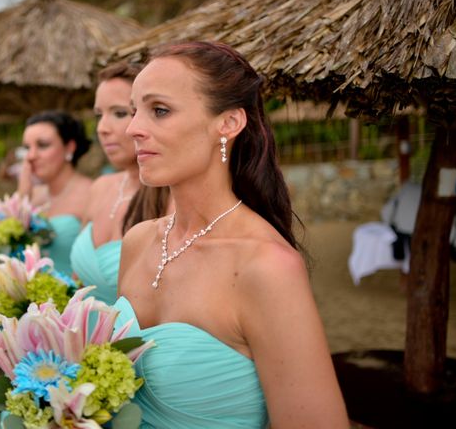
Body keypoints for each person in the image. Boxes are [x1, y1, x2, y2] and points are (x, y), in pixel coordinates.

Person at [115, 41, 348, 428]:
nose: (133, 129)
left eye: (159, 111)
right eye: (134, 110)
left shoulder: (266, 267)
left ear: (229, 123)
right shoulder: (137, 242)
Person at [70, 62, 169, 304]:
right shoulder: (100, 187)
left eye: (120, 113)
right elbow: (77, 282)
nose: (102, 128)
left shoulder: (172, 199)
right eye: (98, 115)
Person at [0, 111, 92, 276]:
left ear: (69, 147)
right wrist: (22, 195)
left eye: (42, 145)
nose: (31, 156)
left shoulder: (91, 194)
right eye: (27, 148)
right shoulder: (30, 195)